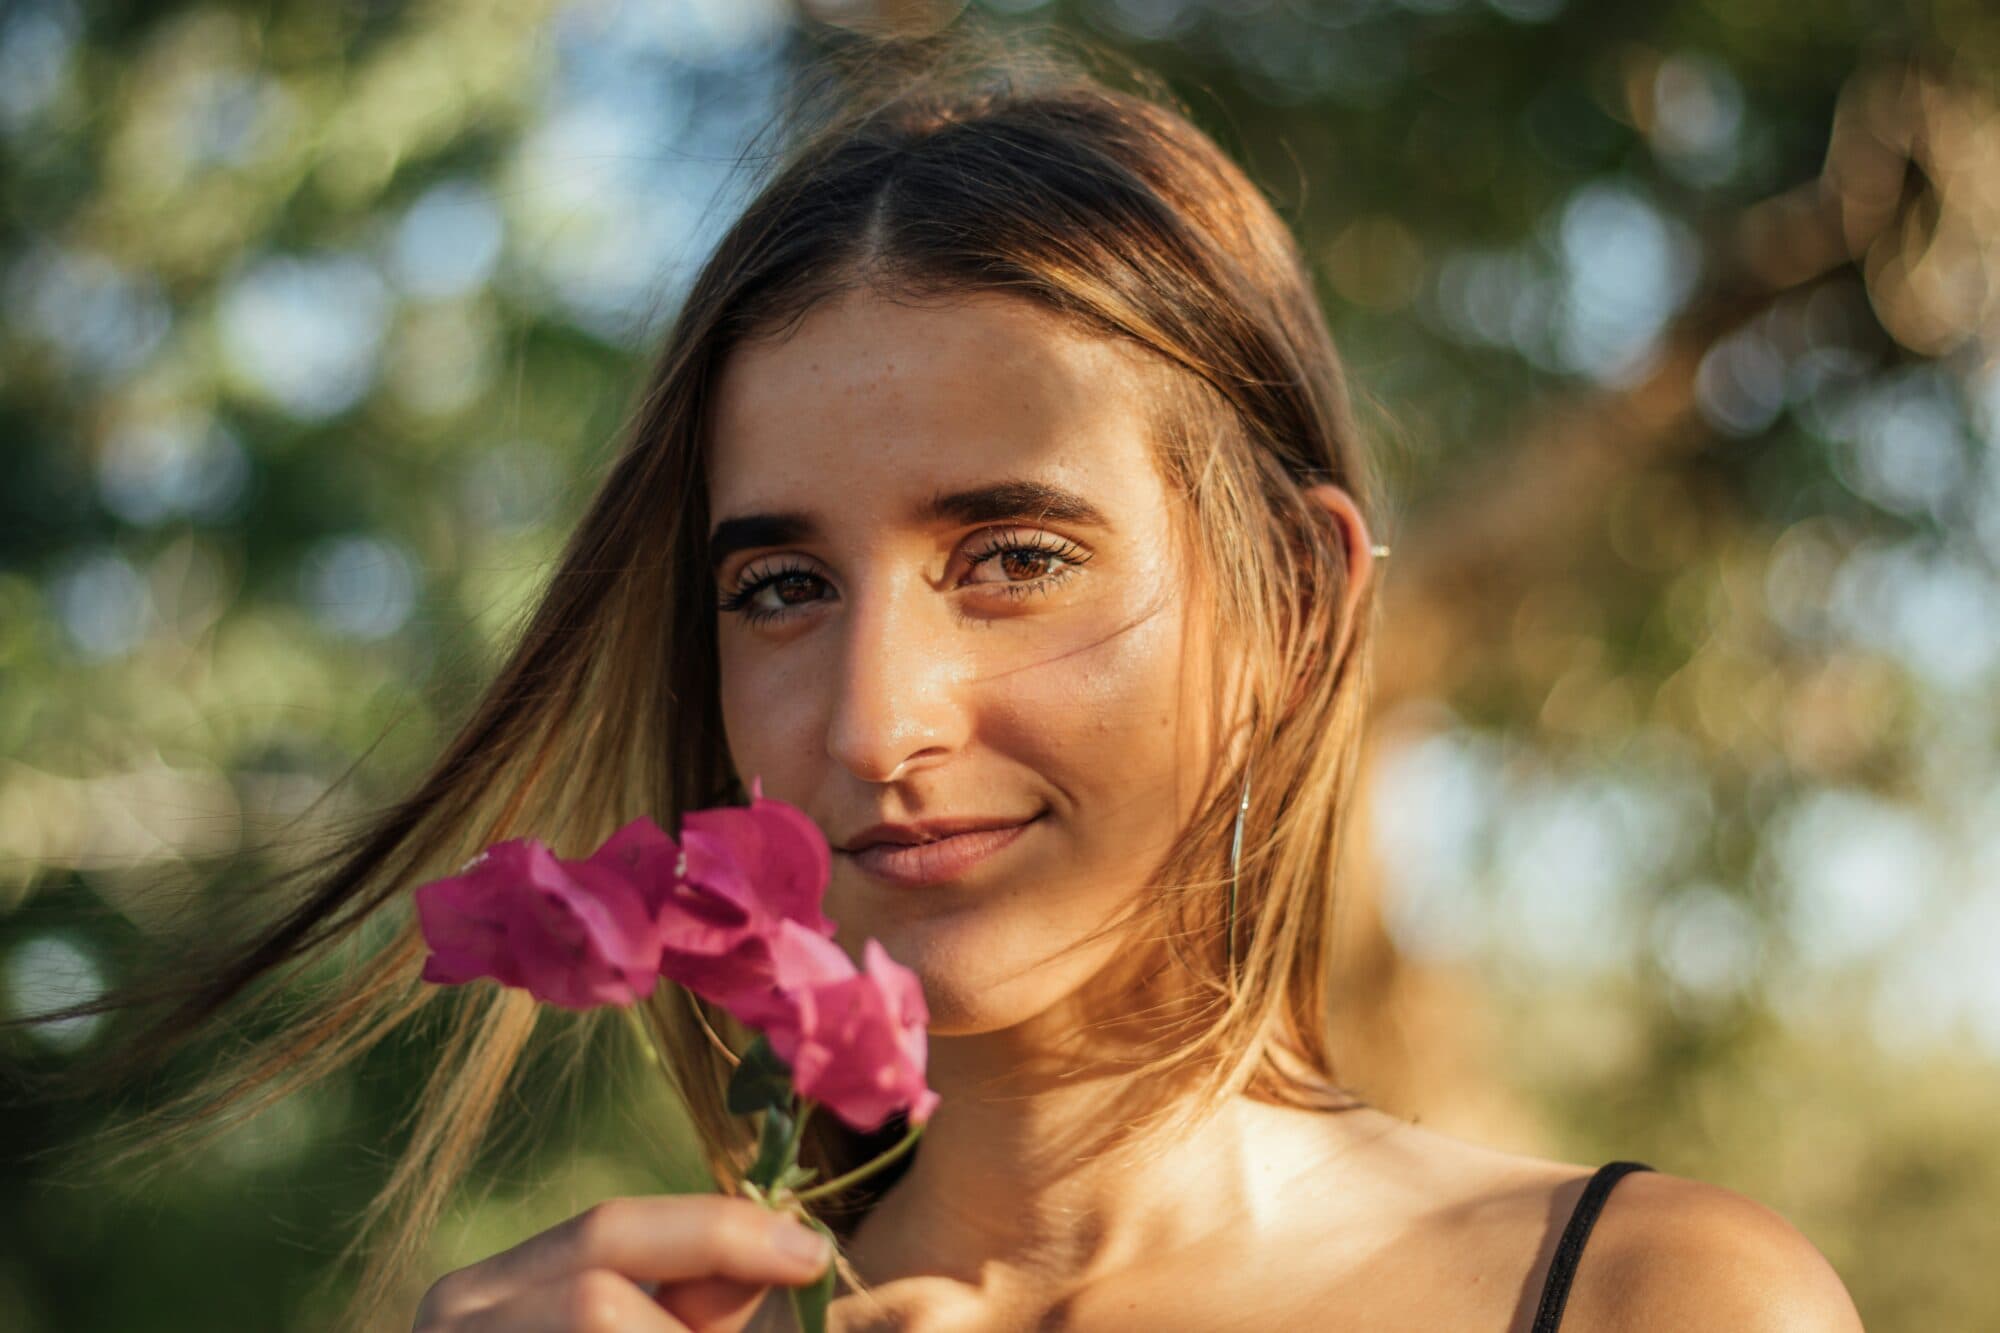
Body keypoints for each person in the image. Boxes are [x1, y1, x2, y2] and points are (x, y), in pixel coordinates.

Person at [30, 27, 1864, 1333]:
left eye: (1014, 559)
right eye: (780, 585)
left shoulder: (1664, 1302)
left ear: (1297, 605)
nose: (871, 718)